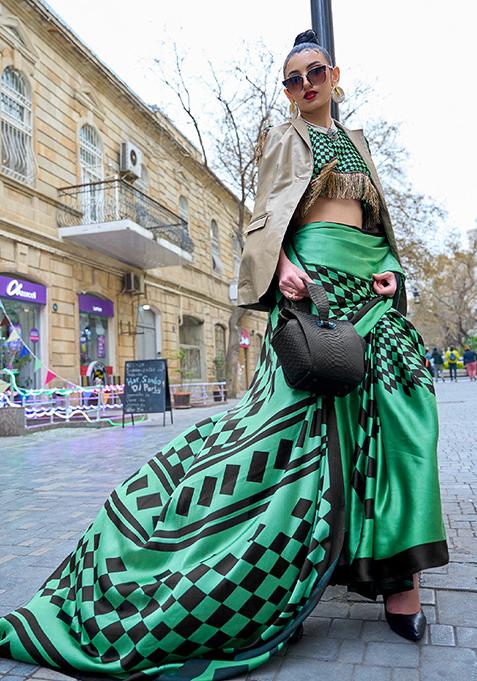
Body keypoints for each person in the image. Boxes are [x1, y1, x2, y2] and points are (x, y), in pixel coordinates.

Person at [0, 29, 449, 681]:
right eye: (291, 79)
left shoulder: (358, 145)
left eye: (313, 72)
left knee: (400, 416)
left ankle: (394, 576)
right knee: (274, 444)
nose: (304, 85)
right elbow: (264, 223)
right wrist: (287, 265)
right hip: (314, 299)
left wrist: (388, 272)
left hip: (370, 300)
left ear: (334, 74)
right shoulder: (280, 142)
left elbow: (378, 227)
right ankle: (198, 552)